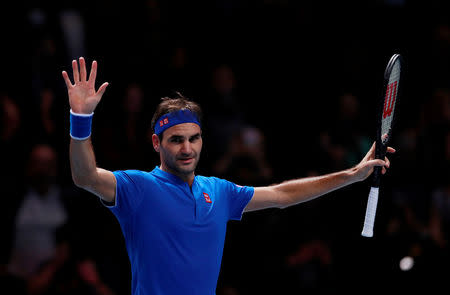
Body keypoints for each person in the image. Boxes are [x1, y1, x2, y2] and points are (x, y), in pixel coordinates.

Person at [62, 57, 395, 295]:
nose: (187, 148)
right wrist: (81, 119)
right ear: (156, 143)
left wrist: (352, 174)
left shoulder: (219, 192)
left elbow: (282, 195)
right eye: (176, 139)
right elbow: (85, 176)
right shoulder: (138, 187)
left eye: (194, 138)